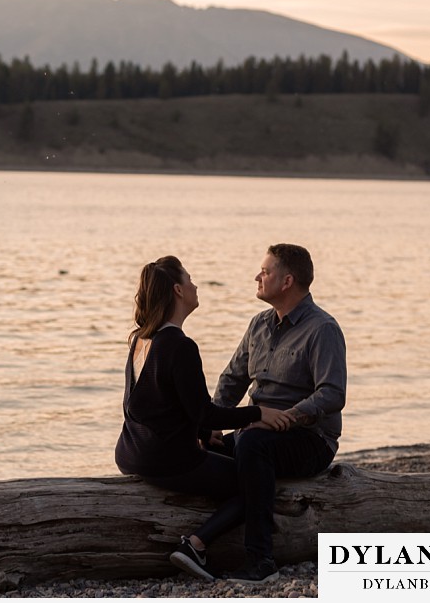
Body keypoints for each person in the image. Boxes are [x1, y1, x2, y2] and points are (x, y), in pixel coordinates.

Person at [114, 255, 294, 581]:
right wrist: (259, 413)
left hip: (129, 453)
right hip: (166, 460)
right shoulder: (180, 346)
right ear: (178, 291)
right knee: (256, 482)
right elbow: (205, 411)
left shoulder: (141, 339)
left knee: (233, 461)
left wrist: (201, 431)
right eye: (190, 279)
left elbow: (155, 405)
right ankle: (195, 544)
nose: (196, 285)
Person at [211, 243, 347, 584]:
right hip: (257, 432)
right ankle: (200, 542)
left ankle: (260, 560)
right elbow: (232, 380)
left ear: (287, 281)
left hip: (311, 439)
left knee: (253, 444)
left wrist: (288, 417)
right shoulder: (258, 324)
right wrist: (212, 423)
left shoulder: (322, 329)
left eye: (265, 271)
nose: (257, 276)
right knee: (209, 451)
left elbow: (332, 394)